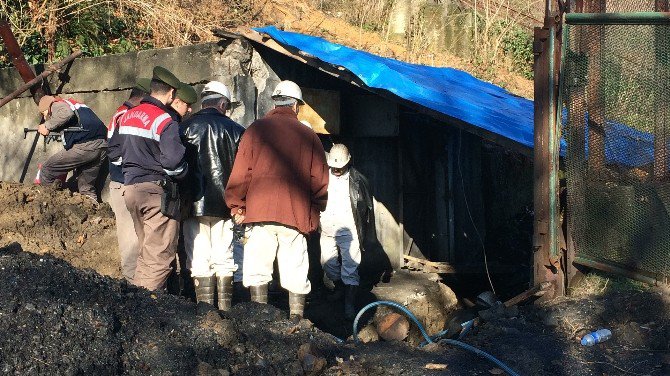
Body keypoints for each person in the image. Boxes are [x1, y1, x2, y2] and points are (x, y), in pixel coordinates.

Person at [225, 80, 329, 320]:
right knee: (295, 272)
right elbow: (320, 181)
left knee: (257, 271)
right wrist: (314, 211)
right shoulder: (309, 136)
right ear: (296, 106)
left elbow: (242, 173)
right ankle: (296, 321)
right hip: (294, 215)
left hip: (259, 213)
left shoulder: (255, 131)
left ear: (275, 102)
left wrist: (237, 205)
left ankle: (260, 323)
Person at [108, 66, 188, 291]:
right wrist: (182, 173)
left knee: (146, 250)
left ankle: (139, 298)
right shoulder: (165, 120)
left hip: (130, 190)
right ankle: (145, 305)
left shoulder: (127, 115)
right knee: (159, 256)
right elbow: (173, 163)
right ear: (171, 94)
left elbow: (113, 152)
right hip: (155, 192)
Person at [181, 81, 245, 311]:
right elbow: (244, 170)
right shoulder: (237, 131)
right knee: (225, 258)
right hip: (225, 205)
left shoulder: (185, 127)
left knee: (198, 258)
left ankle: (205, 312)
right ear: (222, 103)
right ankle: (225, 311)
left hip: (193, 204)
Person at [320, 144, 375, 320]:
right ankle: (340, 287)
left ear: (347, 163)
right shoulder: (322, 176)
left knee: (350, 267)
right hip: (327, 228)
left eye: (339, 167)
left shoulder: (359, 180)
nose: (336, 170)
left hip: (349, 229)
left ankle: (349, 303)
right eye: (334, 167)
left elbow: (367, 209)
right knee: (327, 263)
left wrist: (367, 234)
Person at [107, 78, 151, 282]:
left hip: (124, 182)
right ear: (143, 99)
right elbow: (118, 152)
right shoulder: (127, 116)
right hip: (124, 182)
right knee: (131, 241)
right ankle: (132, 286)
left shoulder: (120, 113)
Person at [36, 95, 108, 201]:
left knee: (47, 170)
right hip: (101, 146)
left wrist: (47, 126)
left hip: (85, 147)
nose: (45, 117)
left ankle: (51, 205)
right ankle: (94, 212)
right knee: (86, 188)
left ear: (47, 108)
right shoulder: (76, 105)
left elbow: (66, 113)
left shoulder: (55, 105)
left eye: (44, 114)